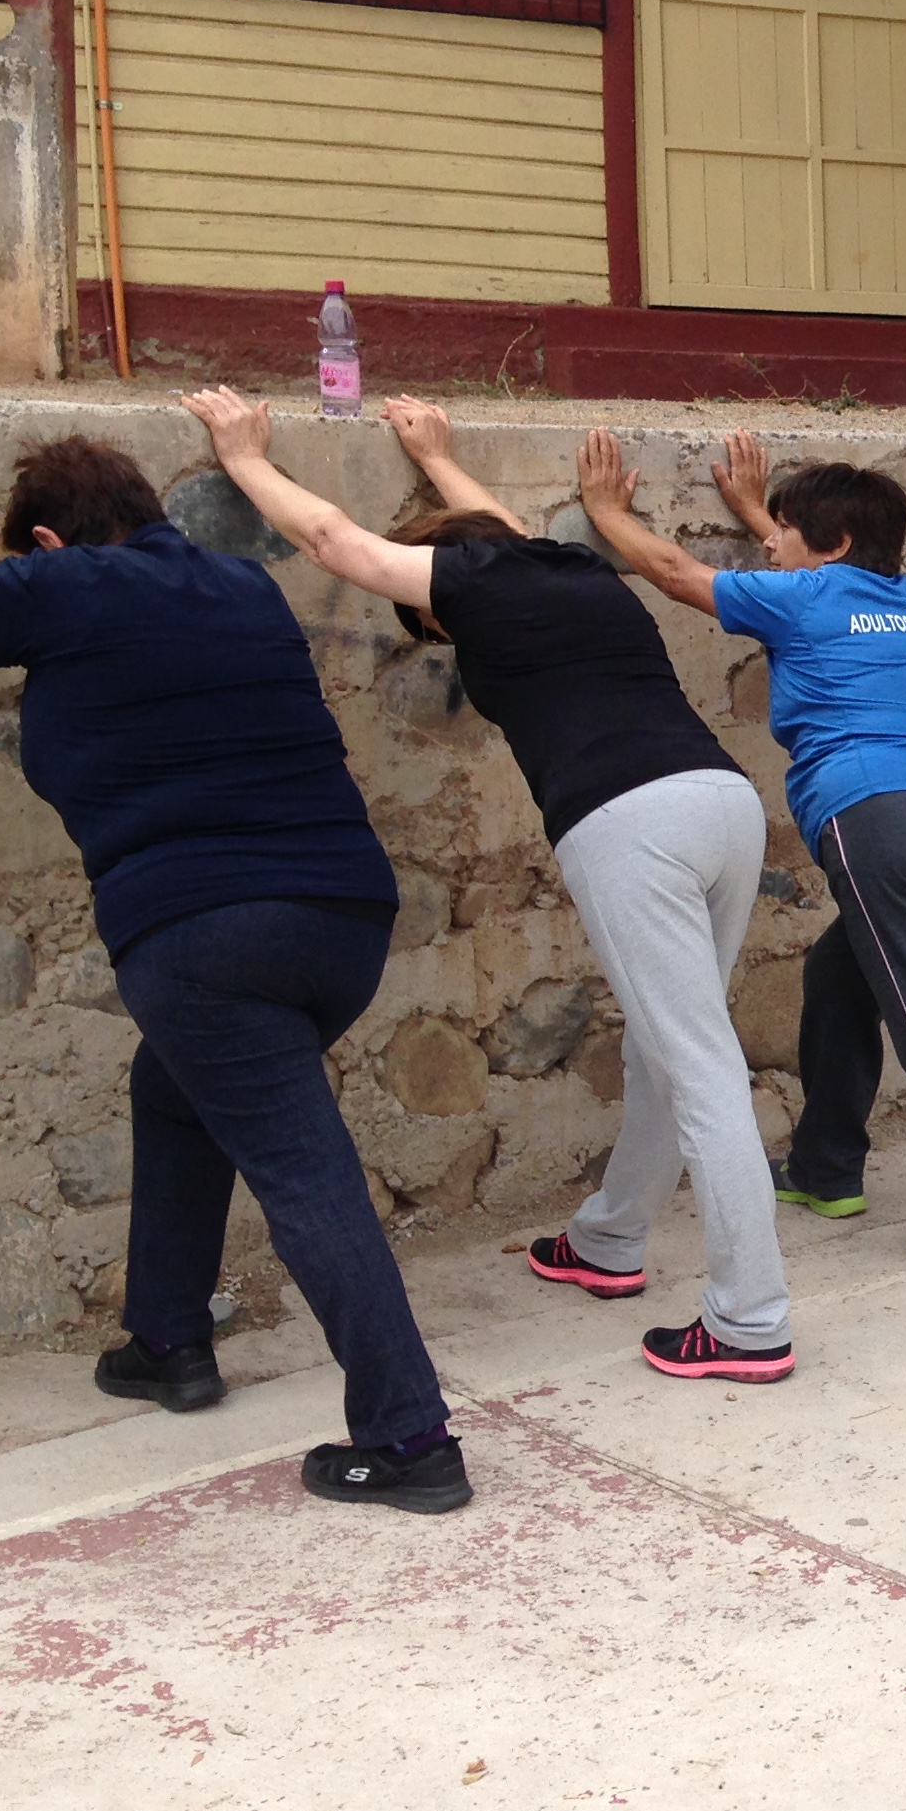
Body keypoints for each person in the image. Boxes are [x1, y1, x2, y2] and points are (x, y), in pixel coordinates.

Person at [0, 442, 467, 1511]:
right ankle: (167, 1341)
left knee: (303, 1173)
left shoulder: (62, 581)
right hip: (344, 919)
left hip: (202, 937)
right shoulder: (243, 585)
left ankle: (411, 1438)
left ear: (47, 540)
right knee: (171, 1087)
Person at [184, 388, 802, 1386]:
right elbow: (497, 529)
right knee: (668, 1047)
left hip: (628, 820)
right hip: (720, 803)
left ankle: (750, 1319)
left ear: (439, 596)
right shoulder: (563, 566)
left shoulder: (470, 584)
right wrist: (438, 457)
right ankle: (608, 1240)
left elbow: (337, 541)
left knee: (698, 1067)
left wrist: (246, 457)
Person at [580, 428, 906, 1277]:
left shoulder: (803, 599)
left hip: (879, 823)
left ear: (831, 545)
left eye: (786, 533)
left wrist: (607, 513)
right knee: (838, 975)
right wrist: (758, 511)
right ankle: (825, 1167)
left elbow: (676, 573)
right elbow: (824, 572)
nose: (771, 545)